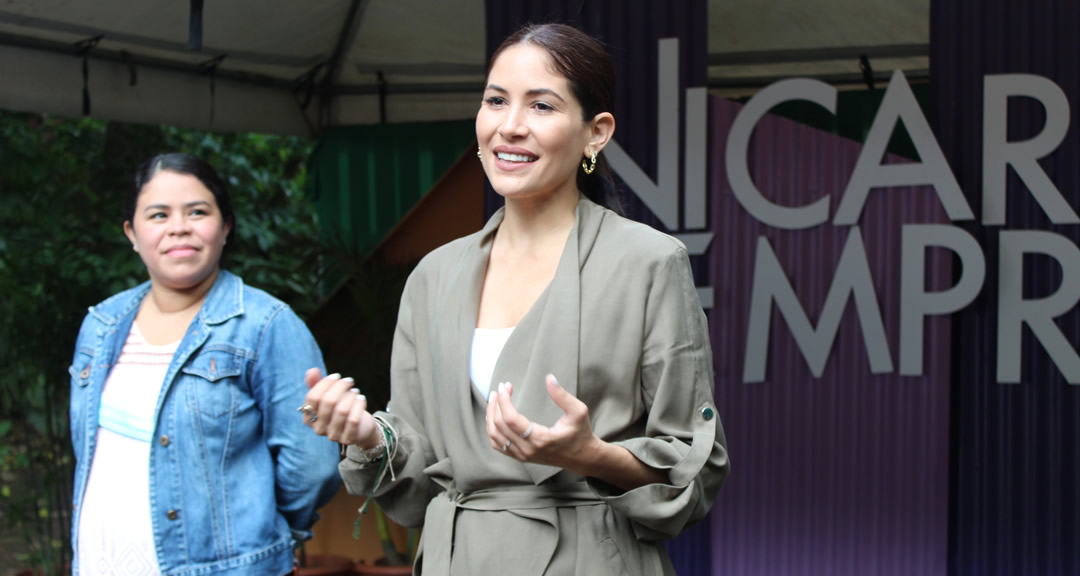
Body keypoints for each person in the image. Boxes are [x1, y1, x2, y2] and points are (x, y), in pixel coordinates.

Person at [302, 23, 729, 575]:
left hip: (591, 559)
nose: (509, 127)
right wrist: (366, 436)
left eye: (542, 106)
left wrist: (590, 455)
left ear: (595, 133)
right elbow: (413, 484)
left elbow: (695, 469)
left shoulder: (647, 262)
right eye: (495, 101)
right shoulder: (434, 276)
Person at [68, 153, 341, 576]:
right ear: (132, 233)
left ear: (225, 225)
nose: (179, 226)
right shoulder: (101, 324)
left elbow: (313, 465)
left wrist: (258, 533)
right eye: (158, 215)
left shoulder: (267, 325)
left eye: (197, 212)